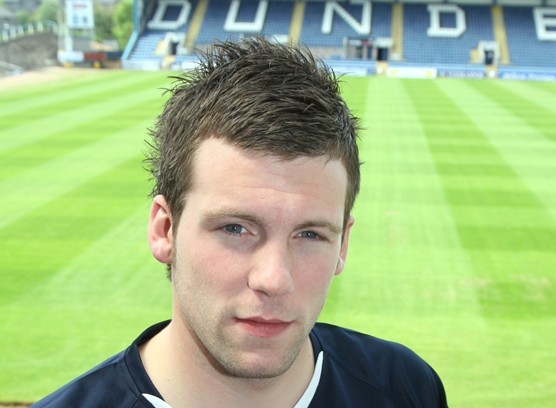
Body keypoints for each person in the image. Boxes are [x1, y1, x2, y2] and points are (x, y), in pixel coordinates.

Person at [33, 37, 447, 408]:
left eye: (309, 234)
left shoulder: (406, 387)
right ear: (165, 230)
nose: (274, 278)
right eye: (236, 229)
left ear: (342, 246)